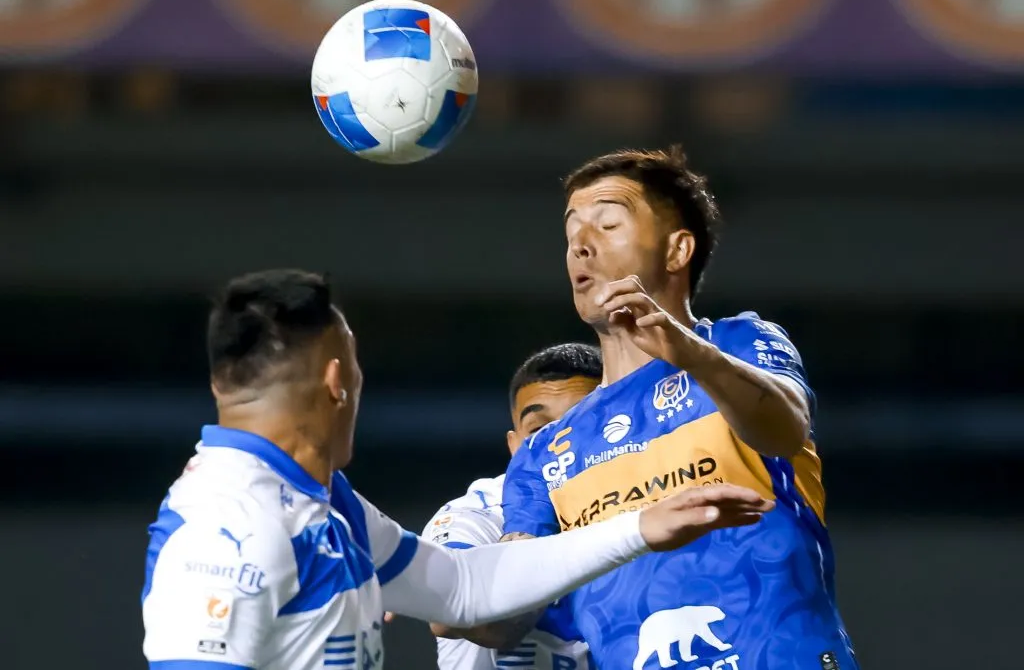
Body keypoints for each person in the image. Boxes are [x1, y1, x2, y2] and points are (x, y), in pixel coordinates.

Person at [139, 269, 773, 670]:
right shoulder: (227, 526)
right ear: (338, 381)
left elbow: (461, 588)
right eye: (357, 369)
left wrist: (639, 526)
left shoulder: (326, 505)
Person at [500, 148, 859, 670]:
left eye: (607, 223)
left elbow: (784, 428)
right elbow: (498, 614)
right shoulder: (543, 454)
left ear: (677, 250)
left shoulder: (739, 342)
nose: (580, 244)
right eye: (572, 230)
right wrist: (417, 577)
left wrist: (689, 352)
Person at [422, 343, 603, 669]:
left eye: (580, 422)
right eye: (539, 430)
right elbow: (454, 611)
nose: (558, 444)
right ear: (514, 446)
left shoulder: (650, 505)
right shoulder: (477, 513)